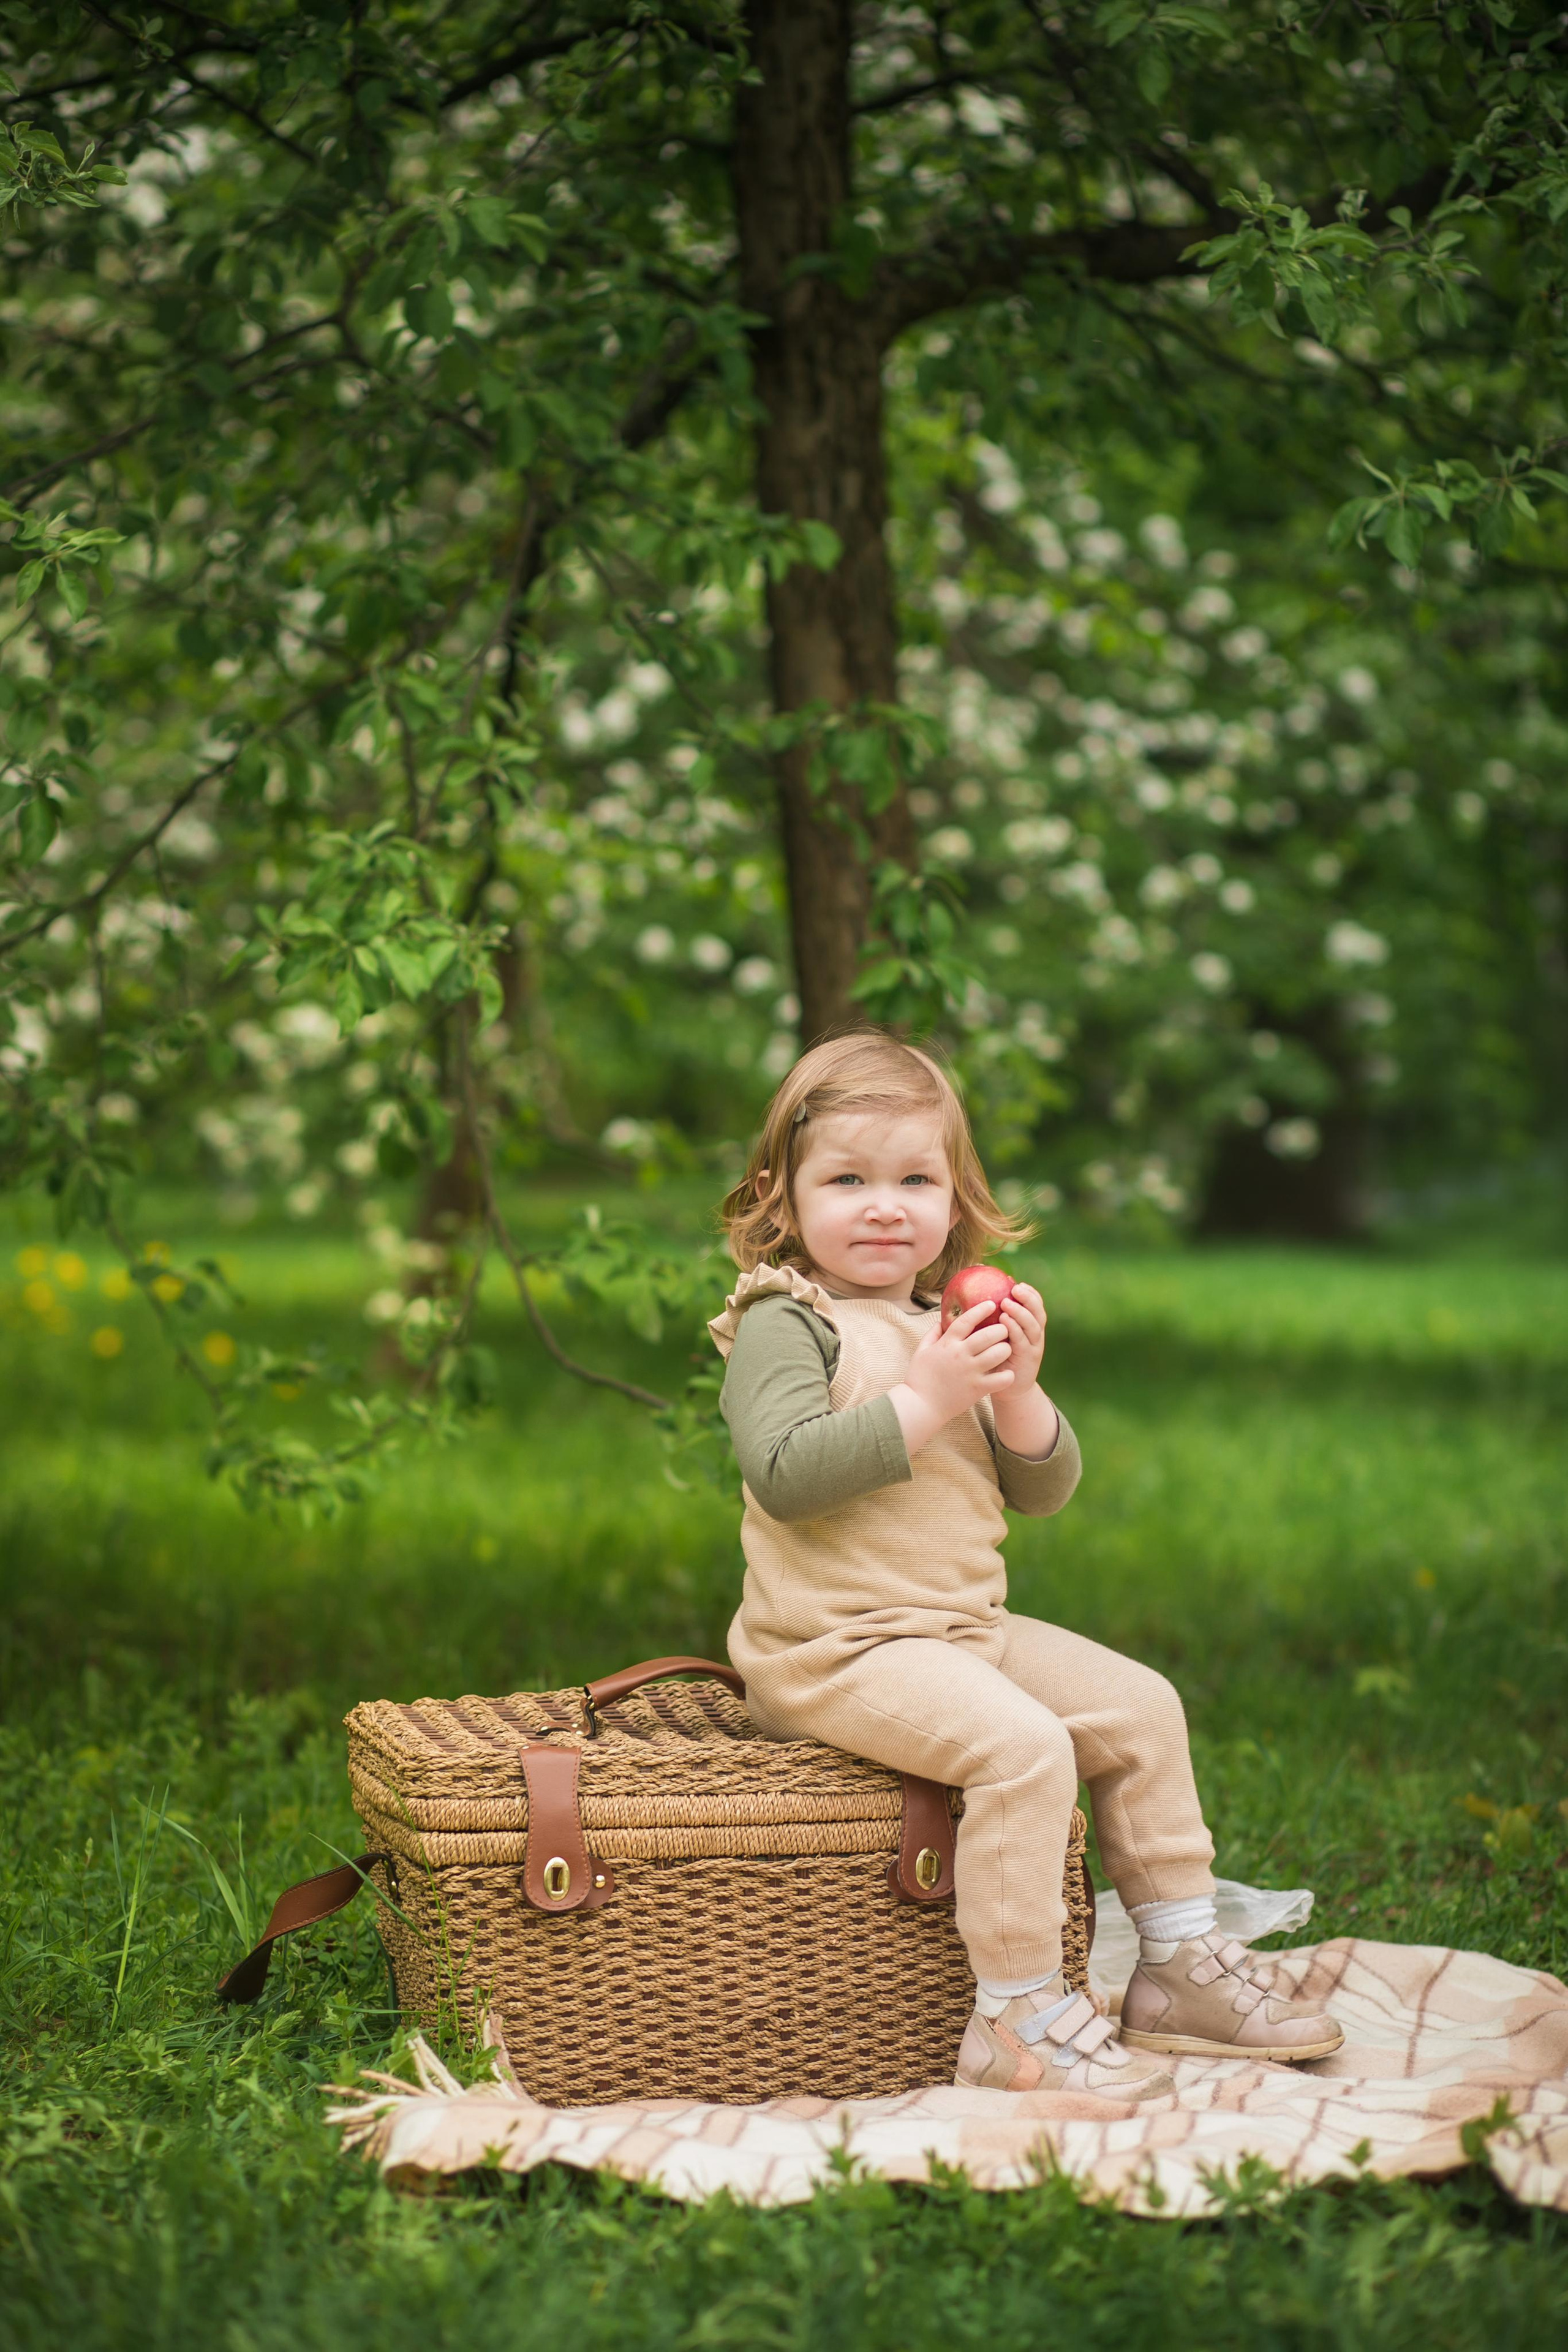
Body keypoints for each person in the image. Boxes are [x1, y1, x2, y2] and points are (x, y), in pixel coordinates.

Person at [710, 1030, 1343, 2101]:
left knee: (1141, 1708)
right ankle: (1016, 2016)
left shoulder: (948, 1323)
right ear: (781, 1195)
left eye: (916, 1180)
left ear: (956, 1197)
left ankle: (1178, 1965)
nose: (884, 1207)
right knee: (1025, 1751)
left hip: (963, 1631)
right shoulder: (786, 1319)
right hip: (832, 1651)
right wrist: (930, 1396)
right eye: (848, 1180)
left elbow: (1041, 1490)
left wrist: (1016, 1393)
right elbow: (785, 1474)